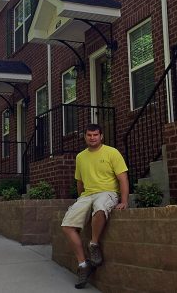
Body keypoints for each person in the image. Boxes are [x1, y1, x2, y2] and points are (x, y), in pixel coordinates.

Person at [61, 123, 129, 289]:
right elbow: (80, 182)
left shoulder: (112, 152)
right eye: (89, 135)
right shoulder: (80, 157)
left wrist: (124, 200)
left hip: (107, 193)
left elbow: (123, 178)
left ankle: (93, 244)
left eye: (95, 135)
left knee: (100, 208)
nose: (92, 138)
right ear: (85, 137)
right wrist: (80, 201)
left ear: (101, 136)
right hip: (87, 195)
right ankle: (83, 265)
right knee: (67, 225)